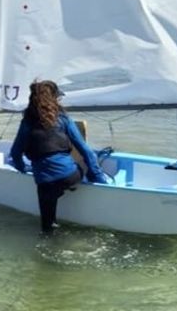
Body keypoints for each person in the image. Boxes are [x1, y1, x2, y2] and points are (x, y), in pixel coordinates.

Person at [8, 80, 109, 235]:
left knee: (47, 228)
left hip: (45, 182)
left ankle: (51, 229)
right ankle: (68, 188)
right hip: (71, 176)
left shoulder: (27, 122)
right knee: (78, 169)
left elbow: (15, 153)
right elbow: (87, 152)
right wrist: (99, 179)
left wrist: (23, 169)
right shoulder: (63, 118)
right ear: (54, 99)